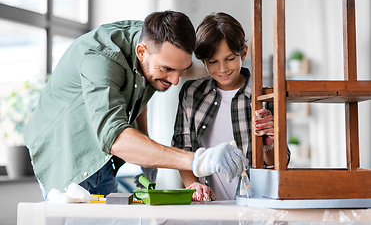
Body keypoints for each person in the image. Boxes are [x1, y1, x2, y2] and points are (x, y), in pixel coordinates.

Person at [23, 11, 249, 198]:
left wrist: (145, 138)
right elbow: (115, 138)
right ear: (142, 52)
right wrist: (199, 160)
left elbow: (139, 91)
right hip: (64, 151)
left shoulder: (152, 41)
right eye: (167, 69)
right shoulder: (101, 58)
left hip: (103, 158)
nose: (175, 80)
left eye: (182, 70)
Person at [172, 12, 290, 201]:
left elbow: (280, 162)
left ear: (243, 52)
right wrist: (192, 185)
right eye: (213, 62)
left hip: (254, 205)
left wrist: (270, 145)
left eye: (229, 58)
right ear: (204, 61)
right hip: (207, 206)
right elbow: (182, 147)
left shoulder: (264, 96)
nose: (222, 69)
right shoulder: (191, 93)